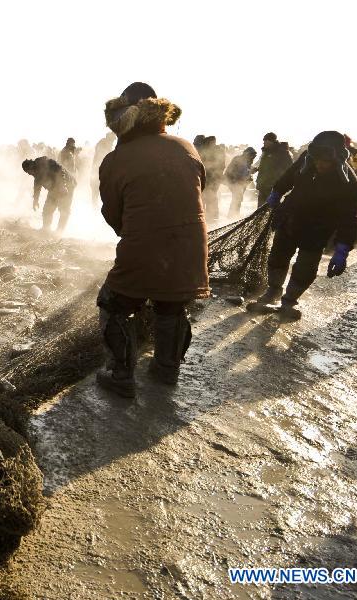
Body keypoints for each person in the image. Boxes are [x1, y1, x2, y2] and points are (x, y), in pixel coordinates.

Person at [96, 82, 209, 397]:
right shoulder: (186, 146)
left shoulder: (117, 159)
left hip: (144, 247)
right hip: (191, 250)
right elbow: (200, 189)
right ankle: (166, 370)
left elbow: (113, 214)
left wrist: (134, 234)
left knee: (114, 303)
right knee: (171, 306)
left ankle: (120, 375)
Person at [248, 131, 357, 320]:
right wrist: (276, 192)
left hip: (318, 229)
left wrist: (343, 248)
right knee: (278, 256)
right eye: (316, 160)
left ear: (337, 160)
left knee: (306, 267)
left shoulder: (349, 183)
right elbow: (288, 176)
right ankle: (273, 290)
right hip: (290, 219)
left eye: (325, 161)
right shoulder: (307, 160)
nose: (319, 164)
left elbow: (350, 217)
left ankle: (290, 300)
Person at [22, 155, 76, 234]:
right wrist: (35, 200)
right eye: (27, 172)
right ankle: (46, 229)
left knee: (64, 210)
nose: (29, 174)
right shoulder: (36, 173)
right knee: (47, 209)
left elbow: (60, 170)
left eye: (29, 171)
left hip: (68, 184)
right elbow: (37, 185)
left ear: (31, 166)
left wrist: (63, 186)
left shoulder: (45, 162)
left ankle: (59, 232)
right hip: (54, 188)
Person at [255, 132, 292, 207]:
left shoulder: (282, 152)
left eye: (265, 140)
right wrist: (258, 169)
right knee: (260, 208)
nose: (263, 142)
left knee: (271, 208)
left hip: (273, 186)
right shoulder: (265, 152)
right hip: (263, 186)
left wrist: (280, 181)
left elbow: (289, 168)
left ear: (271, 141)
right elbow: (265, 167)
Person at [197, 135, 226, 221]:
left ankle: (212, 217)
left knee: (210, 197)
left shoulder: (216, 151)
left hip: (212, 179)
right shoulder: (214, 151)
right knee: (207, 197)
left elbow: (219, 165)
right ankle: (210, 217)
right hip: (209, 178)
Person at [223, 147, 257, 219]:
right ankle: (232, 216)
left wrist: (251, 169)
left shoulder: (246, 159)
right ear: (248, 154)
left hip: (238, 182)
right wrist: (250, 171)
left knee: (238, 199)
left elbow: (245, 169)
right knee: (237, 198)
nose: (252, 157)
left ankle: (234, 214)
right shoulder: (240, 160)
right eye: (252, 155)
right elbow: (241, 172)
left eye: (253, 156)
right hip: (235, 181)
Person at [91, 132, 116, 204]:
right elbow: (103, 157)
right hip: (98, 170)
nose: (112, 142)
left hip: (99, 170)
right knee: (97, 191)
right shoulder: (103, 144)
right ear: (109, 138)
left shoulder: (104, 143)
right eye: (112, 140)